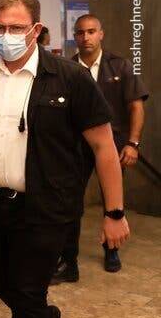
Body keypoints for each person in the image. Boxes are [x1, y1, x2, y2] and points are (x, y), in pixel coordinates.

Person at [0, 0, 130, 318]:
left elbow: (103, 146)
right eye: (0, 27)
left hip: (44, 209)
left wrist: (114, 213)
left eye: (16, 28)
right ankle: (42, 317)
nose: (6, 35)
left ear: (36, 29)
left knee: (29, 294)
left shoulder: (70, 77)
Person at [51, 14, 149, 283]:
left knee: (112, 200)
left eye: (91, 31)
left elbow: (136, 107)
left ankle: (111, 251)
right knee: (70, 202)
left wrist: (133, 143)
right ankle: (68, 262)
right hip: (75, 147)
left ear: (101, 34)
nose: (86, 37)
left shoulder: (120, 66)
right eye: (80, 32)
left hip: (113, 145)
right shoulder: (66, 69)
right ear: (75, 36)